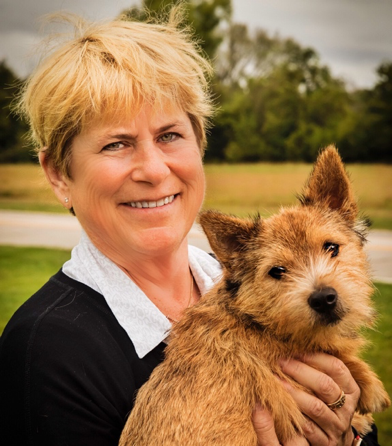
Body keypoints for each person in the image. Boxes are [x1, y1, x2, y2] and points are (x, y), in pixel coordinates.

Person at [0, 8, 380, 446]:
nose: (153, 169)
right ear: (58, 174)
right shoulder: (47, 350)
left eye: (169, 135)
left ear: (199, 142)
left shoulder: (260, 298)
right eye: (116, 143)